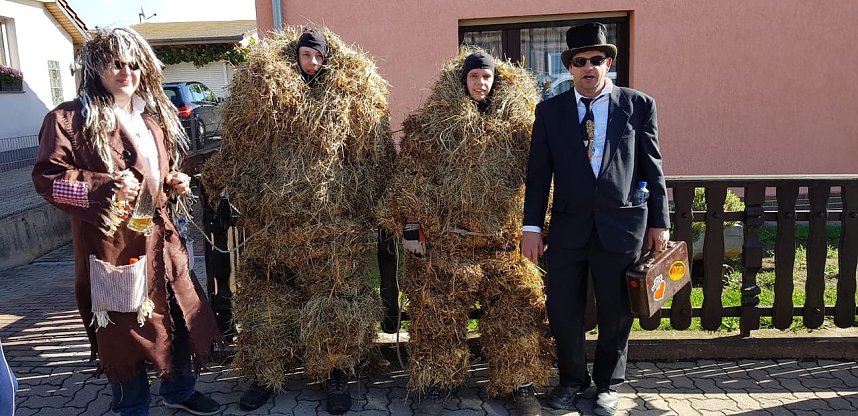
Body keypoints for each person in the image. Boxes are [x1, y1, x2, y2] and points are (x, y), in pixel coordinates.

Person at [201, 27, 393, 414]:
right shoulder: (265, 97)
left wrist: (371, 207)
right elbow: (239, 145)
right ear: (295, 57)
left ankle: (335, 373)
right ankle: (264, 375)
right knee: (264, 300)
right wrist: (217, 185)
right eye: (306, 55)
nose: (313, 63)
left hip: (331, 230)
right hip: (273, 229)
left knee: (335, 303)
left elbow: (375, 158)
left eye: (319, 57)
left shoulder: (350, 103)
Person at [32, 27, 222, 416]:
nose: (126, 72)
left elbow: (154, 175)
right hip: (112, 249)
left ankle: (180, 390)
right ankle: (132, 406)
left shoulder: (150, 120)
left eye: (133, 64)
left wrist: (172, 182)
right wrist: (105, 188)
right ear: (96, 67)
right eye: (117, 64)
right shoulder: (69, 119)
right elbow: (47, 179)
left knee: (178, 316)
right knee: (122, 328)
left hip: (163, 240)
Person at [380, 50, 552, 416]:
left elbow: (541, 177)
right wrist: (412, 225)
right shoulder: (433, 125)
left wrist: (540, 224)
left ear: (496, 80)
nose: (480, 83)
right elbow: (412, 177)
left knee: (517, 309)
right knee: (435, 312)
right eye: (474, 77)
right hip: (449, 245)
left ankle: (519, 382)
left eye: (486, 77)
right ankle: (436, 381)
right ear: (463, 80)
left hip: (503, 247)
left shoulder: (520, 127)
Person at [520, 22, 670, 415]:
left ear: (609, 62)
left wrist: (660, 222)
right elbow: (538, 175)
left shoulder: (638, 106)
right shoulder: (549, 110)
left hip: (622, 228)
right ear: (570, 66)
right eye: (580, 61)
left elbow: (652, 167)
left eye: (597, 60)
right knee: (563, 310)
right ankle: (571, 380)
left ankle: (608, 384)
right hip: (568, 228)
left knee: (615, 311)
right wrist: (531, 228)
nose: (589, 67)